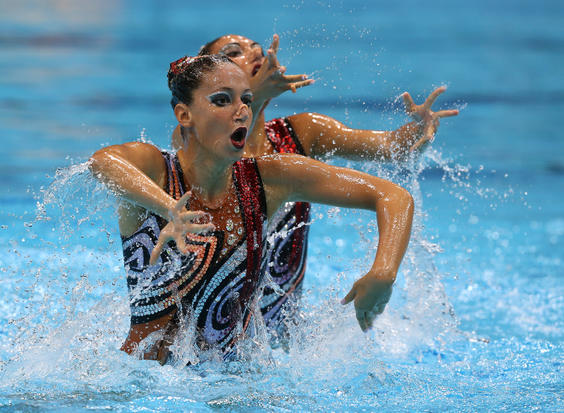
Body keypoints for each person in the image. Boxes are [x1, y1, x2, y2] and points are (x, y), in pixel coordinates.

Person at [90, 54, 414, 363]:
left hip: (234, 384)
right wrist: (169, 208)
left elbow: (393, 196)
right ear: (184, 115)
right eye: (222, 100)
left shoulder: (268, 179)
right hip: (144, 384)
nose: (242, 110)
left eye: (246, 99)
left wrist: (384, 273)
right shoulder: (157, 172)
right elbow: (102, 162)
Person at [174, 34, 458, 335]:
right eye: (235, 53)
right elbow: (231, 164)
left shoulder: (300, 134)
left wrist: (419, 128)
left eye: (258, 49)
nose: (256, 54)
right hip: (200, 338)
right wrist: (251, 97)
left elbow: (393, 149)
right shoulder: (191, 142)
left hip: (282, 340)